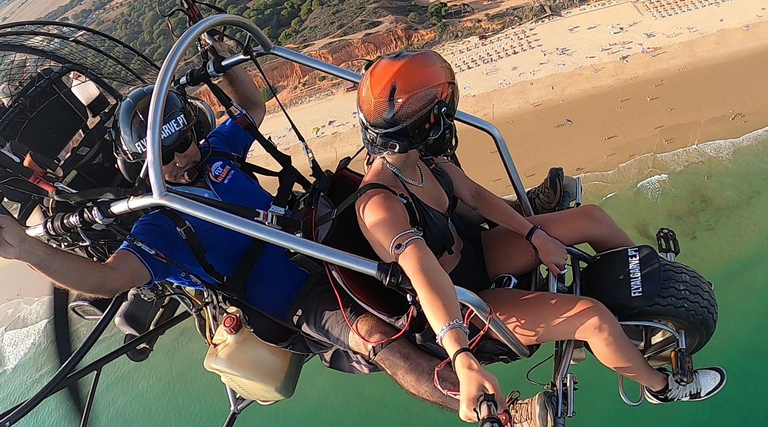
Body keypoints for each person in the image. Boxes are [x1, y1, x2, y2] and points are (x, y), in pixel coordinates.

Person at [0, 48, 552, 426]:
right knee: (374, 337)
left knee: (388, 195)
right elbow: (106, 277)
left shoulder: (217, 154)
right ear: (145, 164)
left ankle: (519, 221)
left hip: (314, 229)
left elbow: (250, 107)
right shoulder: (160, 225)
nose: (185, 157)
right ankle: (496, 411)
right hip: (288, 295)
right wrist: (25, 250)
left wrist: (226, 57)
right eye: (167, 155)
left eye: (186, 140)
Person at [354, 50, 727, 423]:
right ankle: (661, 387)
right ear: (418, 128)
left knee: (592, 219)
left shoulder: (424, 161)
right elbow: (424, 275)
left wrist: (535, 234)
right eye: (437, 113)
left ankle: (646, 296)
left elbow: (476, 197)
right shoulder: (380, 207)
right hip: (467, 303)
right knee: (593, 319)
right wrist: (462, 357)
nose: (445, 120)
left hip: (477, 253)